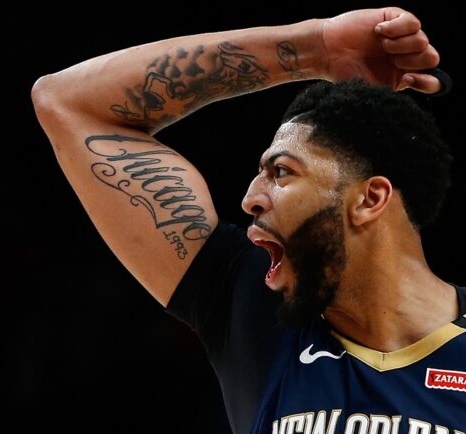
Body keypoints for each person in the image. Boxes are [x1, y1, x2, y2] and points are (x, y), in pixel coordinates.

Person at [31, 7, 464, 434]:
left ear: (370, 198)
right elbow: (67, 102)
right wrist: (315, 49)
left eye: (281, 172)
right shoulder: (255, 314)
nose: (250, 199)